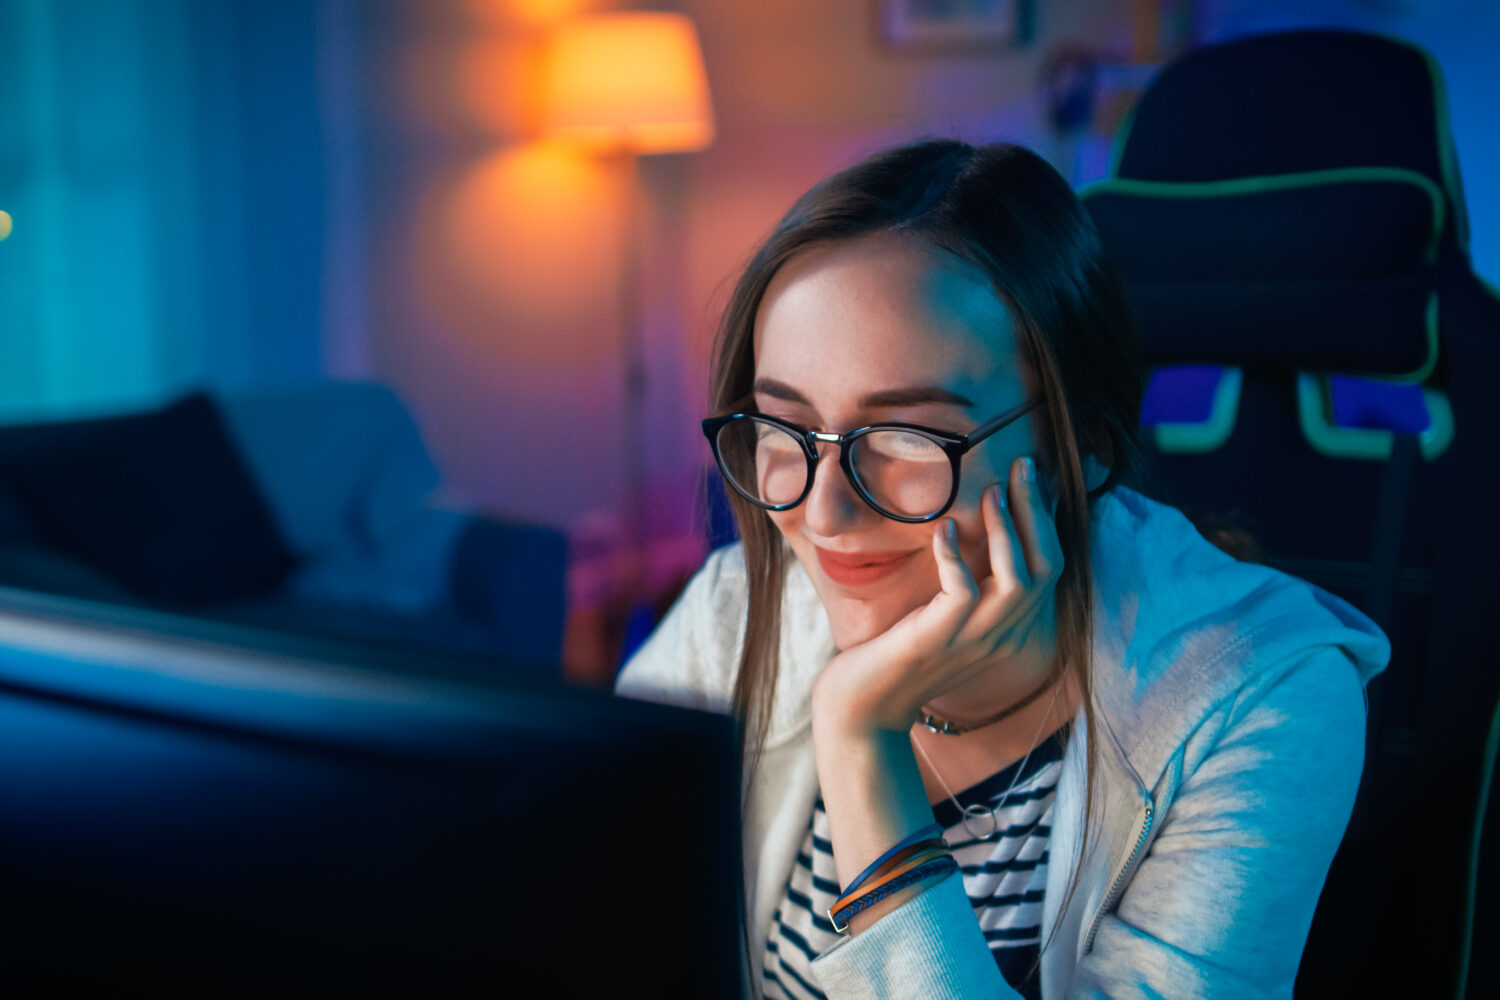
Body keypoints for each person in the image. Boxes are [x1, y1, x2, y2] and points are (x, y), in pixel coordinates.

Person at [616, 139, 1388, 999]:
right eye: (782, 425)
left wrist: (862, 739)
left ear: (1078, 447)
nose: (821, 515)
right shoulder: (738, 606)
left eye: (907, 437)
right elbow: (587, 911)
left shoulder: (1265, 696)